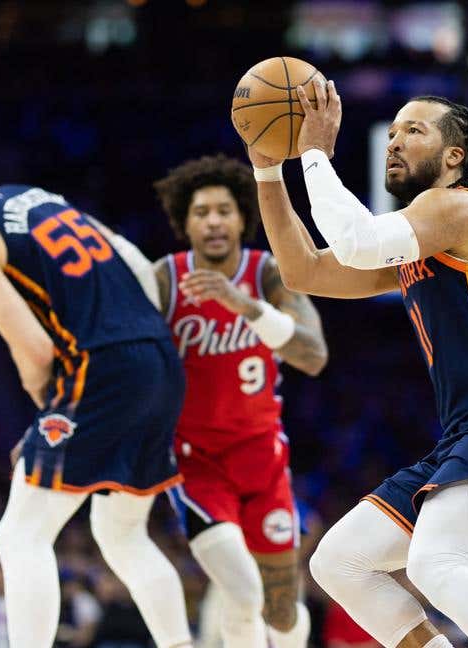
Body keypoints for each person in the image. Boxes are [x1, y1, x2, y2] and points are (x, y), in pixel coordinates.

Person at [243, 81, 468, 648]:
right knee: (339, 562)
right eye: (392, 132)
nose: (395, 141)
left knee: (436, 563)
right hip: (466, 431)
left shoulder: (460, 208)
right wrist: (268, 172)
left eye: (414, 131)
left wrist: (317, 151)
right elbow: (304, 272)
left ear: (455, 156)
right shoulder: (417, 244)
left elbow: (355, 241)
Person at [0, 131, 192, 648]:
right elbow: (132, 257)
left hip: (102, 368)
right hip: (158, 359)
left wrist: (49, 420)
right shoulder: (29, 196)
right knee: (121, 535)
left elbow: (34, 350)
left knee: (20, 533)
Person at [151, 154, 328, 648]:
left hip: (262, 458)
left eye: (224, 210)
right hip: (196, 463)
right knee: (240, 590)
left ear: (242, 217)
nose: (213, 221)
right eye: (201, 211)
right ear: (185, 222)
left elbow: (314, 356)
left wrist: (246, 307)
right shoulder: (164, 279)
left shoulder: (265, 273)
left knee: (280, 607)